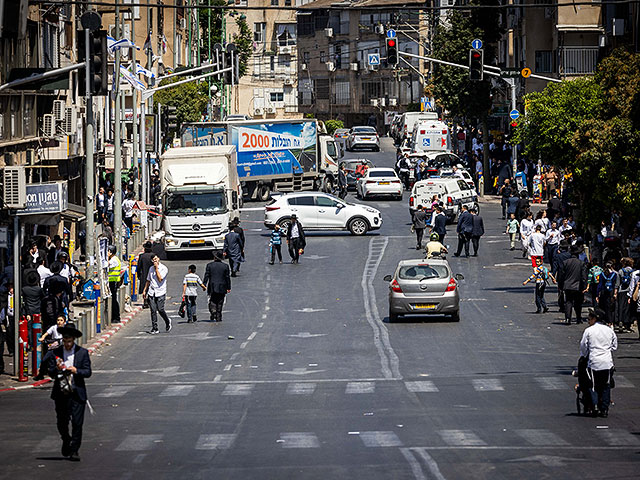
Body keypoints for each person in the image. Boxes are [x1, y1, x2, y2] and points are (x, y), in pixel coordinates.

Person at [43, 322, 92, 460]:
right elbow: (51, 372)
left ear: (74, 340)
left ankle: (75, 450)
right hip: (61, 393)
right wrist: (57, 369)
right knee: (62, 421)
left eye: (69, 341)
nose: (67, 344)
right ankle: (66, 439)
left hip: (77, 393)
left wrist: (77, 371)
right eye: (65, 341)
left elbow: (88, 372)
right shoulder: (56, 353)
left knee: (77, 422)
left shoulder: (82, 353)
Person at [579, 307, 617, 417]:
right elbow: (614, 346)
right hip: (607, 363)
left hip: (594, 362)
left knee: (593, 385)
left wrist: (585, 355)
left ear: (595, 318)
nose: (588, 320)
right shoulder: (609, 331)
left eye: (590, 318)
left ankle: (594, 405)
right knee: (606, 386)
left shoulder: (589, 331)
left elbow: (583, 347)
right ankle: (604, 409)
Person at [558, 245, 588, 325]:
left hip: (568, 285)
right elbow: (584, 277)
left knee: (568, 301)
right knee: (578, 303)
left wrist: (560, 286)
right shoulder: (581, 263)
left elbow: (561, 276)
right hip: (578, 286)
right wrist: (584, 287)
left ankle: (568, 318)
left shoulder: (565, 262)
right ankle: (578, 318)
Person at [142, 254, 171, 334]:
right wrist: (145, 290)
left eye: (156, 259)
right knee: (153, 310)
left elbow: (160, 279)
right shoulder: (151, 269)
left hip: (160, 291)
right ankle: (155, 328)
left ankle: (167, 321)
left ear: (158, 259)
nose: (155, 261)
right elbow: (148, 280)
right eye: (153, 260)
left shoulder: (164, 268)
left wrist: (156, 269)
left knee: (160, 309)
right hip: (152, 291)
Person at [203, 252, 231, 322]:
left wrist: (204, 284)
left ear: (215, 258)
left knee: (212, 299)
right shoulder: (225, 266)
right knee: (220, 301)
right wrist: (228, 287)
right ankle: (218, 316)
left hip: (212, 286)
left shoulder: (209, 265)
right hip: (222, 286)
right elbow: (227, 277)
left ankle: (213, 311)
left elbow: (207, 275)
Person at [616, 257, 634, 332]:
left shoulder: (620, 271)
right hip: (630, 291)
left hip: (621, 291)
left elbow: (617, 283)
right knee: (628, 308)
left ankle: (620, 321)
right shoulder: (633, 272)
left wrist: (615, 292)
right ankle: (627, 323)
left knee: (621, 307)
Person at [597, 262, 618, 326]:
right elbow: (615, 284)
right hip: (611, 292)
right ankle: (611, 321)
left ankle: (605, 320)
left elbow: (600, 285)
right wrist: (615, 293)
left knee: (604, 306)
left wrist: (597, 294)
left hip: (604, 292)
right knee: (611, 307)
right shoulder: (614, 274)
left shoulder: (602, 274)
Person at [107, 246, 123, 323]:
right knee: (112, 299)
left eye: (108, 251)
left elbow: (106, 265)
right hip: (111, 282)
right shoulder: (113, 259)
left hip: (113, 282)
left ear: (111, 252)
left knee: (113, 300)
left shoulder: (114, 260)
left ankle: (116, 317)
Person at [136, 242, 155, 309]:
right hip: (152, 275)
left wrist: (138, 275)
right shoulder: (153, 255)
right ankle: (150, 301)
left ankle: (145, 301)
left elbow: (138, 267)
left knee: (145, 288)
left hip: (144, 274)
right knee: (151, 288)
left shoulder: (142, 256)